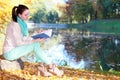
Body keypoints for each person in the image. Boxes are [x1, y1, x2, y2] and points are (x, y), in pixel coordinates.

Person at [2, 4, 63, 77]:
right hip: (9, 53)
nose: (28, 16)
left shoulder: (21, 23)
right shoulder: (15, 25)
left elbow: (24, 38)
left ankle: (42, 69)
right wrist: (34, 41)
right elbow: (19, 43)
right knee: (35, 44)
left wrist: (36, 35)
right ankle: (51, 67)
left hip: (14, 50)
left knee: (35, 44)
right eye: (25, 15)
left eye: (28, 14)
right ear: (19, 15)